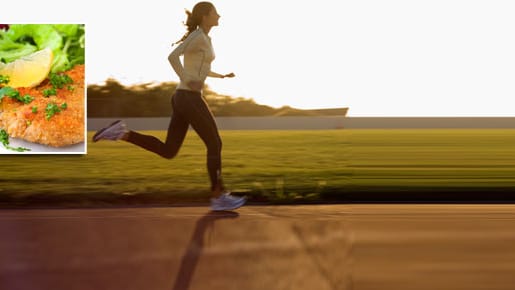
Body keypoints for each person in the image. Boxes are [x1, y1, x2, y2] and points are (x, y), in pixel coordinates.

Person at [92, 2, 246, 211]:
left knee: (169, 150)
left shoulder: (205, 38)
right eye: (215, 12)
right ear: (205, 16)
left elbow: (201, 67)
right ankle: (218, 196)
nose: (219, 16)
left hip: (184, 97)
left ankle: (121, 134)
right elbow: (172, 57)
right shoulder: (198, 36)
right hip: (188, 97)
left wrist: (221, 75)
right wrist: (186, 78)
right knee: (214, 143)